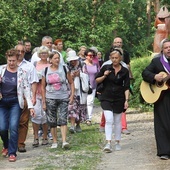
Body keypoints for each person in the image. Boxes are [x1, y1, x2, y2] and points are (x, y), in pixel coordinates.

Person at [0, 49, 35, 162]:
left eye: (13, 61)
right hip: (2, 102)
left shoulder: (22, 72)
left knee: (14, 127)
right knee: (2, 128)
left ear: (17, 60)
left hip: (15, 102)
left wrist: (30, 107)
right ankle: (6, 145)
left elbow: (26, 90)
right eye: (9, 60)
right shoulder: (1, 70)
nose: (11, 63)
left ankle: (12, 152)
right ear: (7, 59)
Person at [96, 48, 130, 153]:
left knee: (117, 121)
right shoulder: (106, 67)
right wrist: (105, 75)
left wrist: (126, 100)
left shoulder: (125, 71)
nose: (114, 60)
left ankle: (118, 141)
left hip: (119, 98)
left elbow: (127, 87)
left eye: (116, 58)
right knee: (109, 119)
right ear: (110, 58)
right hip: (106, 97)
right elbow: (97, 80)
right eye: (112, 58)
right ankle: (108, 142)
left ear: (120, 59)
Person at [142, 39, 170, 160]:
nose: (169, 49)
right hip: (161, 98)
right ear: (162, 50)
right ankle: (164, 151)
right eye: (166, 47)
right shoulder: (156, 62)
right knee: (162, 124)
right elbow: (145, 72)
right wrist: (154, 76)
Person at [41, 51, 74, 149]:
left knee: (63, 119)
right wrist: (43, 101)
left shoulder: (64, 68)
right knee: (52, 120)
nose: (57, 60)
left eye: (58, 58)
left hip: (63, 97)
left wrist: (72, 95)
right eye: (55, 58)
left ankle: (64, 141)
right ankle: (55, 141)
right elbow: (43, 87)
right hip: (50, 97)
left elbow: (71, 82)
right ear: (50, 60)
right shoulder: (46, 70)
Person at [16, 44, 39, 153]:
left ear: (25, 53)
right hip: (11, 96)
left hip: (26, 96)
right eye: (18, 51)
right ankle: (9, 143)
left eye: (22, 51)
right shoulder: (8, 65)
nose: (20, 53)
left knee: (23, 121)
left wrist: (33, 96)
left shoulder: (29, 66)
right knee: (11, 123)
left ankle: (20, 144)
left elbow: (34, 82)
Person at [31, 46, 51, 147]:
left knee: (45, 115)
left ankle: (45, 136)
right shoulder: (35, 64)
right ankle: (35, 136)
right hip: (36, 91)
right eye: (42, 53)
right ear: (39, 54)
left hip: (47, 92)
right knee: (35, 114)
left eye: (45, 53)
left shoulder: (50, 65)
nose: (44, 55)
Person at [67, 50, 88, 133]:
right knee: (72, 107)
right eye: (71, 61)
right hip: (71, 90)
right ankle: (72, 125)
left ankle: (78, 124)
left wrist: (80, 75)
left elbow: (86, 75)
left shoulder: (82, 64)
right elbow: (65, 77)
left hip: (81, 90)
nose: (72, 62)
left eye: (74, 60)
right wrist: (71, 76)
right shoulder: (67, 66)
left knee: (80, 107)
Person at [84, 49, 100, 125]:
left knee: (90, 102)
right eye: (90, 55)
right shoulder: (82, 64)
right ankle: (82, 117)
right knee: (84, 102)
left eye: (93, 56)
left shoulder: (95, 64)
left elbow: (99, 73)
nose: (92, 57)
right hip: (84, 86)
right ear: (86, 56)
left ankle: (89, 118)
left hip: (93, 85)